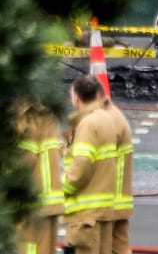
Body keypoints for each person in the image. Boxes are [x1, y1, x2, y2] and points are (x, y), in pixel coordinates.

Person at [63, 75, 118, 254]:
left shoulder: (87, 124)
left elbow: (82, 165)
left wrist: (63, 188)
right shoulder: (106, 119)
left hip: (86, 215)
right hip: (103, 211)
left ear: (76, 97)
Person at [14, 100, 64, 254]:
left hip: (32, 205)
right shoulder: (47, 114)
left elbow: (22, 161)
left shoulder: (23, 117)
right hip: (49, 202)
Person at [102, 94, 133, 254]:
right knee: (120, 247)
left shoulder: (102, 122)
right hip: (120, 200)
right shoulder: (116, 116)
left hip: (106, 202)